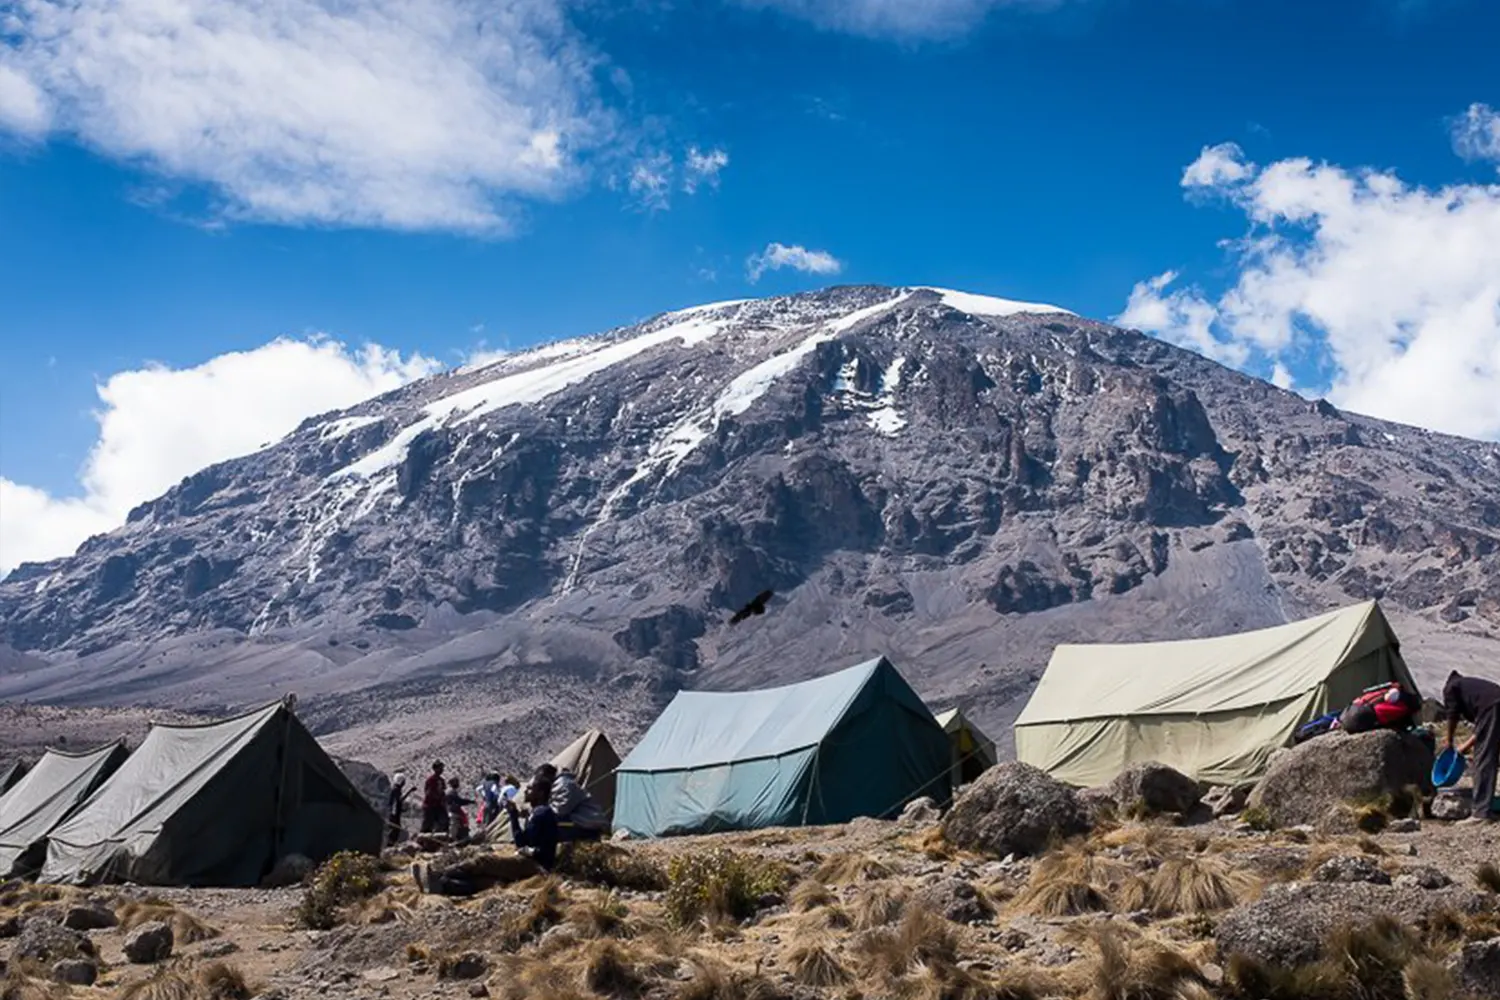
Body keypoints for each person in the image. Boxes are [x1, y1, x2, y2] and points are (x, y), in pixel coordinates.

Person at [1442, 670, 1500, 824]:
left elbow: (1452, 714)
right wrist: (1465, 746)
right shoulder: (1472, 688)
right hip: (1495, 707)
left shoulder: (1451, 688)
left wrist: (1448, 740)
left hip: (1493, 708)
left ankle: (1481, 813)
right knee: (1489, 755)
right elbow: (1484, 730)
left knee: (1483, 760)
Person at [505, 769, 561, 869]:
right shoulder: (542, 811)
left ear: (540, 793)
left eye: (530, 789)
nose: (526, 791)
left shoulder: (540, 813)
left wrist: (513, 816)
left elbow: (521, 842)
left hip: (539, 865)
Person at [551, 766, 609, 835]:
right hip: (586, 820)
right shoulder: (564, 783)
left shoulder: (564, 784)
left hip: (587, 822)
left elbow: (562, 809)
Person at [386, 772, 412, 846]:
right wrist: (409, 791)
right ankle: (390, 845)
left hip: (394, 813)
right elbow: (399, 801)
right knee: (395, 830)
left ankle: (391, 845)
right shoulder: (396, 790)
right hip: (394, 814)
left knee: (395, 830)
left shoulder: (395, 789)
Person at [420, 761, 447, 834]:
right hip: (430, 806)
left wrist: (444, 800)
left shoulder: (441, 780)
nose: (441, 770)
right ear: (435, 769)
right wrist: (437, 797)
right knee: (427, 825)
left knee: (443, 822)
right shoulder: (431, 780)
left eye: (442, 768)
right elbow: (428, 793)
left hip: (439, 806)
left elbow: (443, 791)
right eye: (440, 768)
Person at [446, 776, 475, 843]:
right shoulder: (451, 791)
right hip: (452, 811)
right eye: (456, 782)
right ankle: (452, 839)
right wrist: (469, 801)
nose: (458, 784)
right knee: (454, 825)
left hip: (453, 810)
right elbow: (458, 801)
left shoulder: (452, 791)